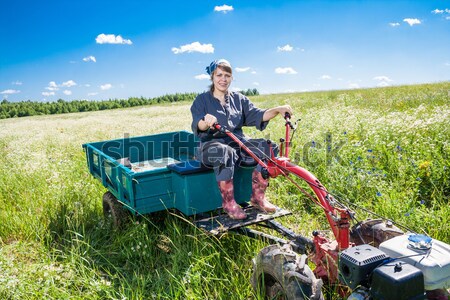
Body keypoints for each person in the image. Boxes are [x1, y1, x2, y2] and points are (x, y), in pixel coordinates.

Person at [190, 59, 293, 220]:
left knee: (268, 147)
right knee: (225, 152)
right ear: (212, 77)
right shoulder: (201, 100)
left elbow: (258, 115)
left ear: (231, 78)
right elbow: (198, 124)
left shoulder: (239, 99)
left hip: (238, 143)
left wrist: (277, 110)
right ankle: (229, 203)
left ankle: (257, 197)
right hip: (210, 147)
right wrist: (206, 120)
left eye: (227, 75)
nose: (223, 79)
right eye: (219, 75)